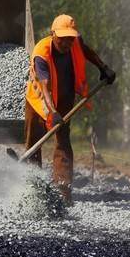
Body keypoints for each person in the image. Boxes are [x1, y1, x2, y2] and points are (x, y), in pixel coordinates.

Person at [24, 14, 116, 203]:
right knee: (34, 142)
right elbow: (44, 86)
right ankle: (34, 188)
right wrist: (54, 113)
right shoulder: (41, 53)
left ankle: (63, 191)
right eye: (62, 39)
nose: (66, 43)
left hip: (65, 97)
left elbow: (86, 50)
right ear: (52, 34)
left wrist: (103, 67)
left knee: (63, 141)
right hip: (39, 101)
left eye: (70, 38)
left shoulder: (75, 41)